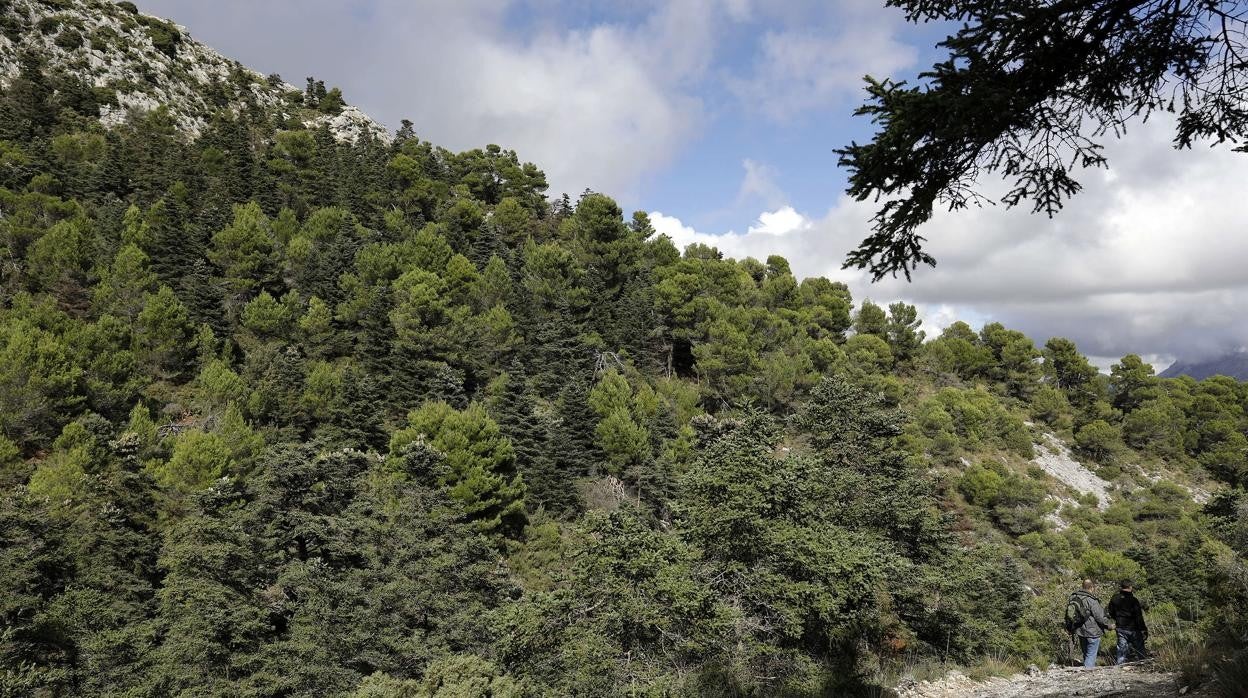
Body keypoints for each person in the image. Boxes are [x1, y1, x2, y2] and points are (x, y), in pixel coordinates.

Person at [1066, 579, 1114, 668]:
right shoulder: (1091, 600)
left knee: (1086, 654)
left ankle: (1085, 672)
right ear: (1091, 587)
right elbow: (1100, 617)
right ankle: (1087, 673)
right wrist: (1109, 625)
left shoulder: (1073, 597)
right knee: (1091, 655)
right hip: (1092, 632)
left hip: (1079, 630)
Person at [1108, 580, 1148, 664]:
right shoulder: (1134, 600)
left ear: (1121, 587)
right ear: (1130, 587)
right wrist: (1143, 629)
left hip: (1120, 628)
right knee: (1140, 649)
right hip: (1134, 629)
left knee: (1121, 650)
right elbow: (1139, 617)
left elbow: (1110, 612)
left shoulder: (1115, 598)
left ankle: (1120, 668)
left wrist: (1117, 620)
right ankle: (1144, 665)